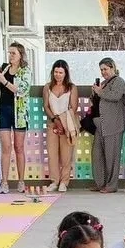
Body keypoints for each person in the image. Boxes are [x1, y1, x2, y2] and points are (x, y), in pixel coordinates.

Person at [0, 41, 31, 194]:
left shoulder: (25, 71)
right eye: (9, 53)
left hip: (19, 113)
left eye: (13, 53)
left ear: (20, 55)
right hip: (2, 111)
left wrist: (3, 80)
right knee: (6, 147)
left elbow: (21, 90)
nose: (10, 56)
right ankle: (4, 182)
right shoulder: (4, 69)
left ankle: (21, 181)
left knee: (19, 147)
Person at [91, 58, 125, 193]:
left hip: (114, 124)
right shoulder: (103, 83)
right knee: (97, 155)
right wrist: (94, 93)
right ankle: (100, 183)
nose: (103, 72)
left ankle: (111, 185)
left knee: (112, 157)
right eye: (101, 70)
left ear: (112, 68)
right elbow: (97, 100)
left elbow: (115, 96)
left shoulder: (119, 81)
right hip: (101, 124)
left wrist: (100, 92)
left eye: (105, 69)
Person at [43, 60, 79, 193]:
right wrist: (55, 119)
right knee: (52, 154)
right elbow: (46, 106)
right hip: (52, 123)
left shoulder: (72, 88)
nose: (58, 75)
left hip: (67, 125)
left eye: (60, 72)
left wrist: (62, 121)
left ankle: (64, 181)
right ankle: (54, 181)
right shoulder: (47, 87)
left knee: (66, 155)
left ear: (65, 73)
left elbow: (73, 107)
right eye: (56, 72)